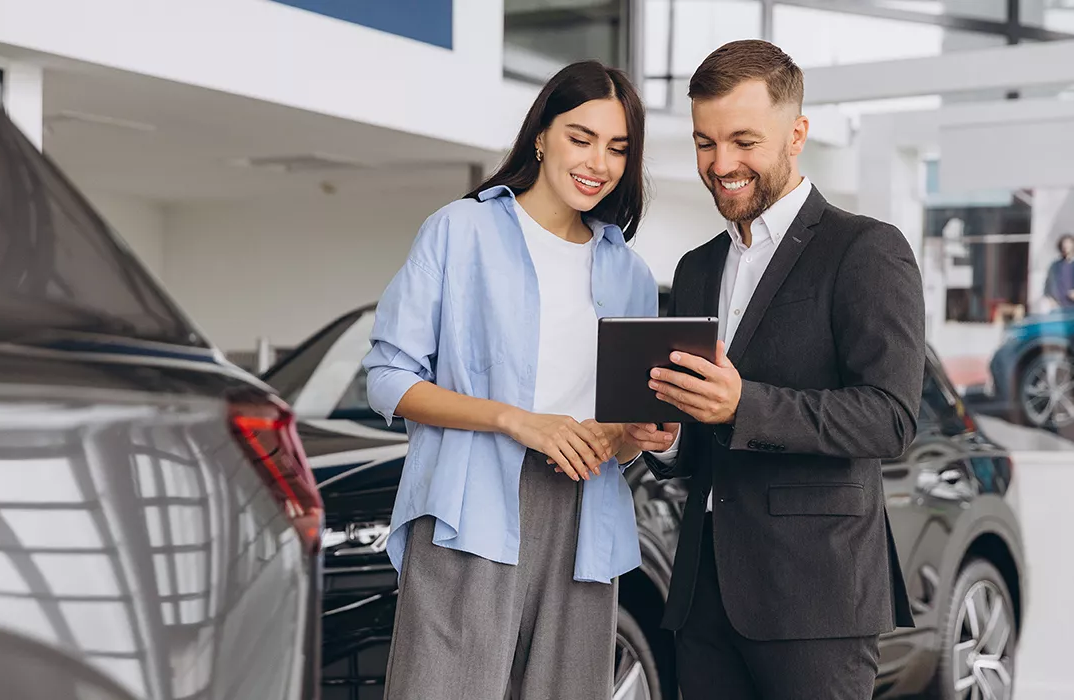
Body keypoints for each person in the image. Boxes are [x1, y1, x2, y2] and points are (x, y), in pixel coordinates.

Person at [623, 40, 925, 699]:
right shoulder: (696, 267)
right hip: (702, 594)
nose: (720, 164)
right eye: (704, 143)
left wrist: (742, 405)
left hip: (816, 600)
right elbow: (701, 435)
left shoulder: (864, 250)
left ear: (796, 135)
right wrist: (670, 439)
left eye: (742, 141)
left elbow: (891, 417)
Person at [363, 60, 668, 700]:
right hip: (471, 502)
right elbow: (389, 379)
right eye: (580, 137)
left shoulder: (631, 273)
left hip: (586, 514)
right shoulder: (460, 231)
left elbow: (627, 430)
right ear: (541, 135)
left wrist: (639, 435)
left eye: (619, 148)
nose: (598, 162)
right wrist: (517, 419)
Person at [1043, 233, 1074, 308]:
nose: (1065, 247)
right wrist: (1050, 299)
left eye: (1068, 244)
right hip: (1058, 307)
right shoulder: (1054, 266)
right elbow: (1047, 286)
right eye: (1063, 244)